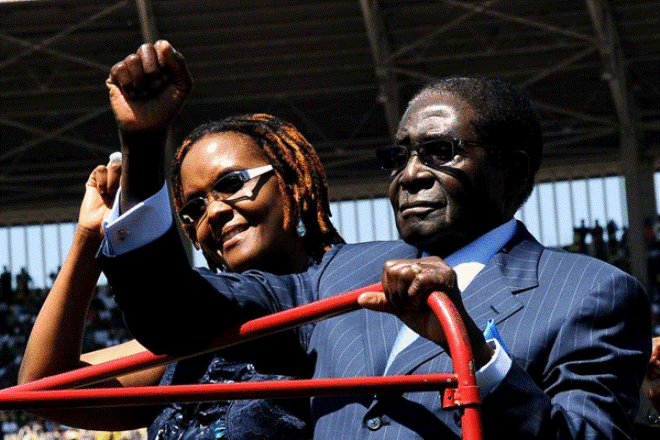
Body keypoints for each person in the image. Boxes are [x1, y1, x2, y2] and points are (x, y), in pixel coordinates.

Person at [98, 40, 651, 439]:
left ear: (512, 169)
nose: (409, 175)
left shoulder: (592, 292)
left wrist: (475, 354)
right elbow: (171, 315)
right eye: (399, 156)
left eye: (439, 152)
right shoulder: (332, 275)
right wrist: (142, 145)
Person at [18, 85, 343, 439]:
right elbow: (44, 386)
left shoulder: (343, 299)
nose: (213, 211)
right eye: (194, 208)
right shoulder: (188, 338)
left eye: (232, 183)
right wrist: (90, 236)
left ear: (290, 182)